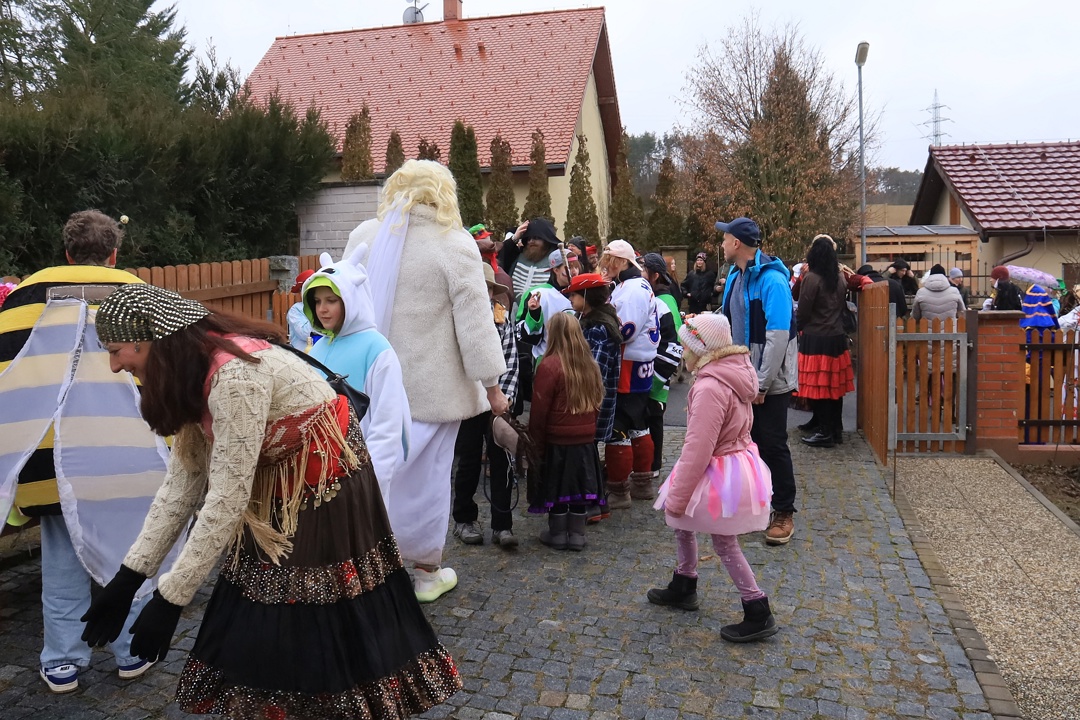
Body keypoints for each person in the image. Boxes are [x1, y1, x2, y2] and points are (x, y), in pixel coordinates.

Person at [80, 284, 460, 718]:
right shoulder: (189, 369)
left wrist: (170, 599)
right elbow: (183, 484)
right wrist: (128, 578)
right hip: (274, 482)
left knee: (308, 610)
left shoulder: (234, 379)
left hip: (325, 487)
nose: (114, 366)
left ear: (153, 341)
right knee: (264, 604)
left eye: (117, 352)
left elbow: (225, 499)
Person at [0, 210, 155, 693]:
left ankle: (63, 658)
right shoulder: (139, 295)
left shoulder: (21, 299)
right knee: (133, 551)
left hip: (49, 457)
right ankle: (133, 648)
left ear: (67, 253)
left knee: (62, 560)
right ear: (114, 254)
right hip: (129, 452)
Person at [343, 159, 508, 603]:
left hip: (367, 388)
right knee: (428, 482)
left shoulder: (364, 236)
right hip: (433, 391)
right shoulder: (453, 243)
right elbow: (476, 324)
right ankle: (425, 574)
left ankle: (365, 562)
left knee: (374, 474)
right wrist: (492, 386)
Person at [647, 313, 778, 643]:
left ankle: (757, 607)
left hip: (717, 467)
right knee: (684, 524)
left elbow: (698, 447)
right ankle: (684, 581)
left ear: (701, 349)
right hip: (734, 460)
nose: (682, 352)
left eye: (686, 346)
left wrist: (678, 495)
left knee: (722, 539)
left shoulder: (709, 387)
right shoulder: (734, 373)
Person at [302, 249, 411, 504]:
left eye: (331, 300)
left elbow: (387, 425)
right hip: (318, 476)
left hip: (360, 479)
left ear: (350, 299)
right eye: (317, 301)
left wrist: (371, 482)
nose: (322, 309)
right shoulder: (317, 349)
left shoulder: (377, 349)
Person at [717, 217, 799, 546]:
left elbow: (778, 336)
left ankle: (784, 511)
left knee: (773, 443)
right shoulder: (734, 276)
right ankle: (756, 505)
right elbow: (729, 320)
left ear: (737, 243)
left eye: (725, 239)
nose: (722, 244)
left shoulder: (773, 281)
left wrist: (761, 384)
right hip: (742, 376)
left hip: (769, 381)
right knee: (746, 444)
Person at [452, 263, 521, 549]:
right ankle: (463, 519)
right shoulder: (457, 320)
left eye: (489, 288)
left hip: (498, 403)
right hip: (469, 402)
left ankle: (502, 524)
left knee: (502, 462)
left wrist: (505, 399)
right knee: (468, 461)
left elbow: (511, 361)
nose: (485, 293)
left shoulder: (501, 318)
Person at [527, 312, 605, 551]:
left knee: (558, 488)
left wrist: (535, 446)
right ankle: (577, 534)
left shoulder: (549, 366)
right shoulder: (590, 364)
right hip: (584, 441)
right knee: (579, 489)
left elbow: (539, 412)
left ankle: (558, 533)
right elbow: (598, 403)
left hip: (557, 441)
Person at [598, 240, 660, 506]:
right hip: (637, 363)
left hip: (628, 364)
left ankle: (619, 489)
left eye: (609, 261)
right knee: (638, 425)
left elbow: (626, 330)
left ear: (622, 262)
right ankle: (642, 483)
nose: (606, 267)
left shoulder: (632, 289)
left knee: (619, 427)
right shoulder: (632, 286)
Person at [563, 272, 621, 523]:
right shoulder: (589, 320)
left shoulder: (598, 327)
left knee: (586, 452)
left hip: (592, 400)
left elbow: (594, 370)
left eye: (574, 295)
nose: (571, 299)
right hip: (592, 399)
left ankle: (593, 504)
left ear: (587, 296)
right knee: (588, 450)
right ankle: (598, 502)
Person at [795, 236, 856, 449]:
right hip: (836, 338)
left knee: (818, 386)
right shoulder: (840, 277)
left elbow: (803, 310)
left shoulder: (812, 278)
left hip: (816, 337)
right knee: (834, 387)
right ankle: (834, 428)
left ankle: (824, 431)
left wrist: (797, 327)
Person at [641, 252, 685, 480]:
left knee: (654, 418)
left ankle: (653, 464)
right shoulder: (653, 296)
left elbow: (675, 343)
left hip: (656, 373)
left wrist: (657, 378)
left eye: (643, 270)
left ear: (655, 275)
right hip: (649, 371)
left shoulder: (664, 301)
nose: (639, 273)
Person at [516, 249, 577, 367]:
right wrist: (534, 314)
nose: (575, 271)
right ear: (555, 270)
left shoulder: (584, 292)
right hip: (548, 361)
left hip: (579, 361)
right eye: (569, 267)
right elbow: (524, 336)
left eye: (577, 266)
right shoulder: (537, 293)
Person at [499, 217, 561, 299]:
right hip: (514, 305)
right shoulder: (519, 256)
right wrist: (514, 238)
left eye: (536, 238)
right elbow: (500, 257)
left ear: (546, 240)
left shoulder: (556, 262)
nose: (531, 241)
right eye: (529, 238)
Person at [286, 269, 316, 350]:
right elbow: (305, 333)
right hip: (303, 355)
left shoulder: (324, 306)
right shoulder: (295, 310)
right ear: (301, 291)